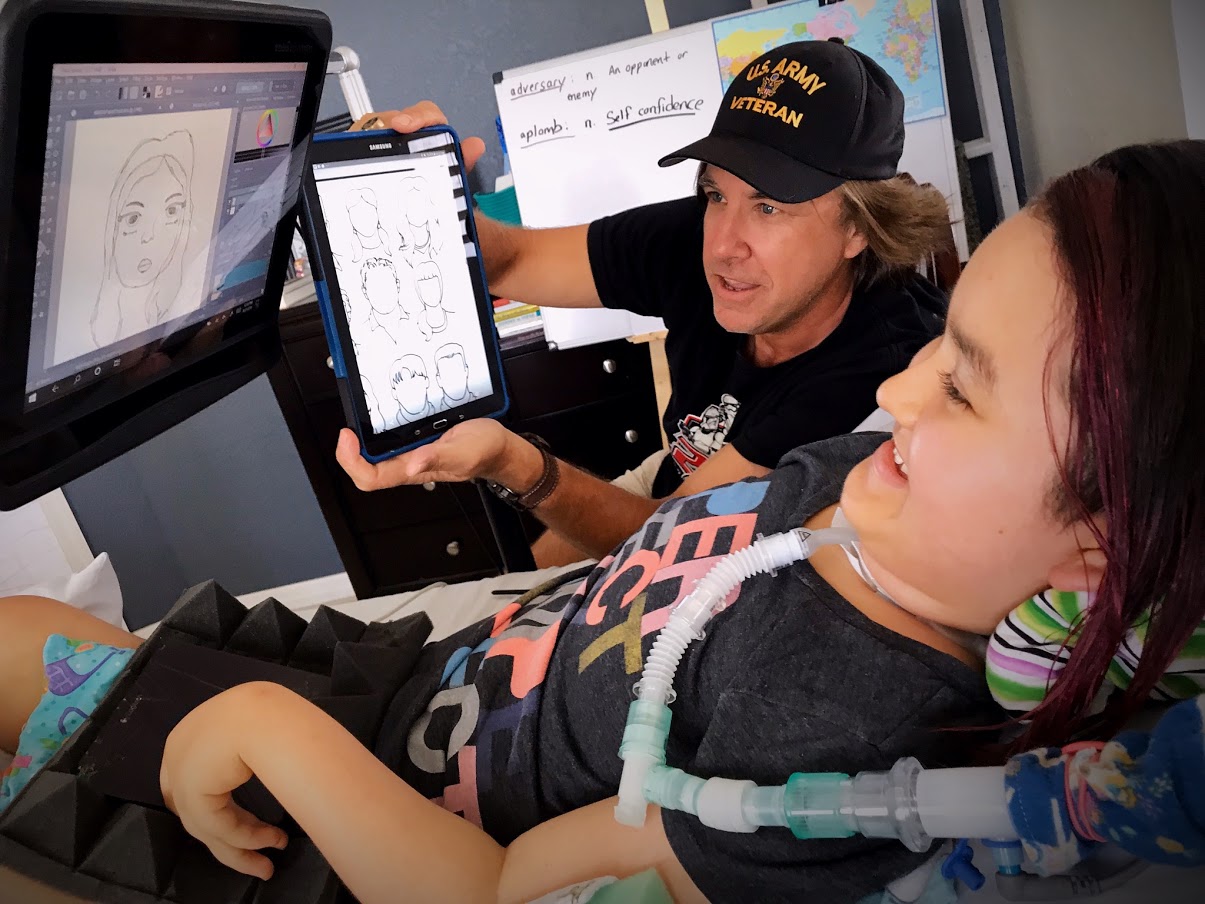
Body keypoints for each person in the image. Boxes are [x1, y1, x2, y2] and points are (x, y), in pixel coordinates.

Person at [3, 142, 1203, 903]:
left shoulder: (835, 739)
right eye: (713, 193)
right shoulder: (869, 474)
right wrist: (410, 203)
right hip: (422, 678)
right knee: (17, 630)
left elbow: (502, 887)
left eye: (963, 386)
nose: (899, 388)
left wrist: (270, 723)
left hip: (382, 803)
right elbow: (516, 265)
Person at [336, 39, 954, 568]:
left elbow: (666, 544)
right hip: (677, 475)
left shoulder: (880, 375)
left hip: (738, 549)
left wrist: (514, 464)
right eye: (716, 194)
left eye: (769, 207)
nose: (722, 246)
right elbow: (513, 261)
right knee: (508, 595)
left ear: (858, 228)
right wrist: (422, 186)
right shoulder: (695, 235)